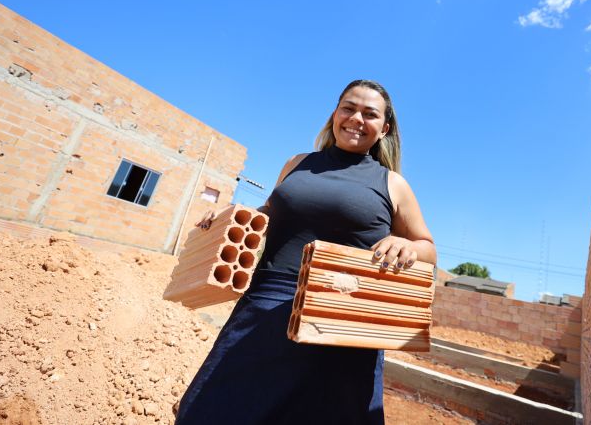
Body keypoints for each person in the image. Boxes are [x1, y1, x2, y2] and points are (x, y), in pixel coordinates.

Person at [176, 79, 436, 424]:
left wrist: (406, 244)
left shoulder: (393, 184)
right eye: (349, 108)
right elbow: (267, 214)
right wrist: (227, 217)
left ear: (384, 128)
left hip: (343, 320)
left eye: (369, 114)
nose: (356, 118)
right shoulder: (297, 164)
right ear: (334, 114)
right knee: (214, 411)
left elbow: (428, 248)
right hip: (265, 309)